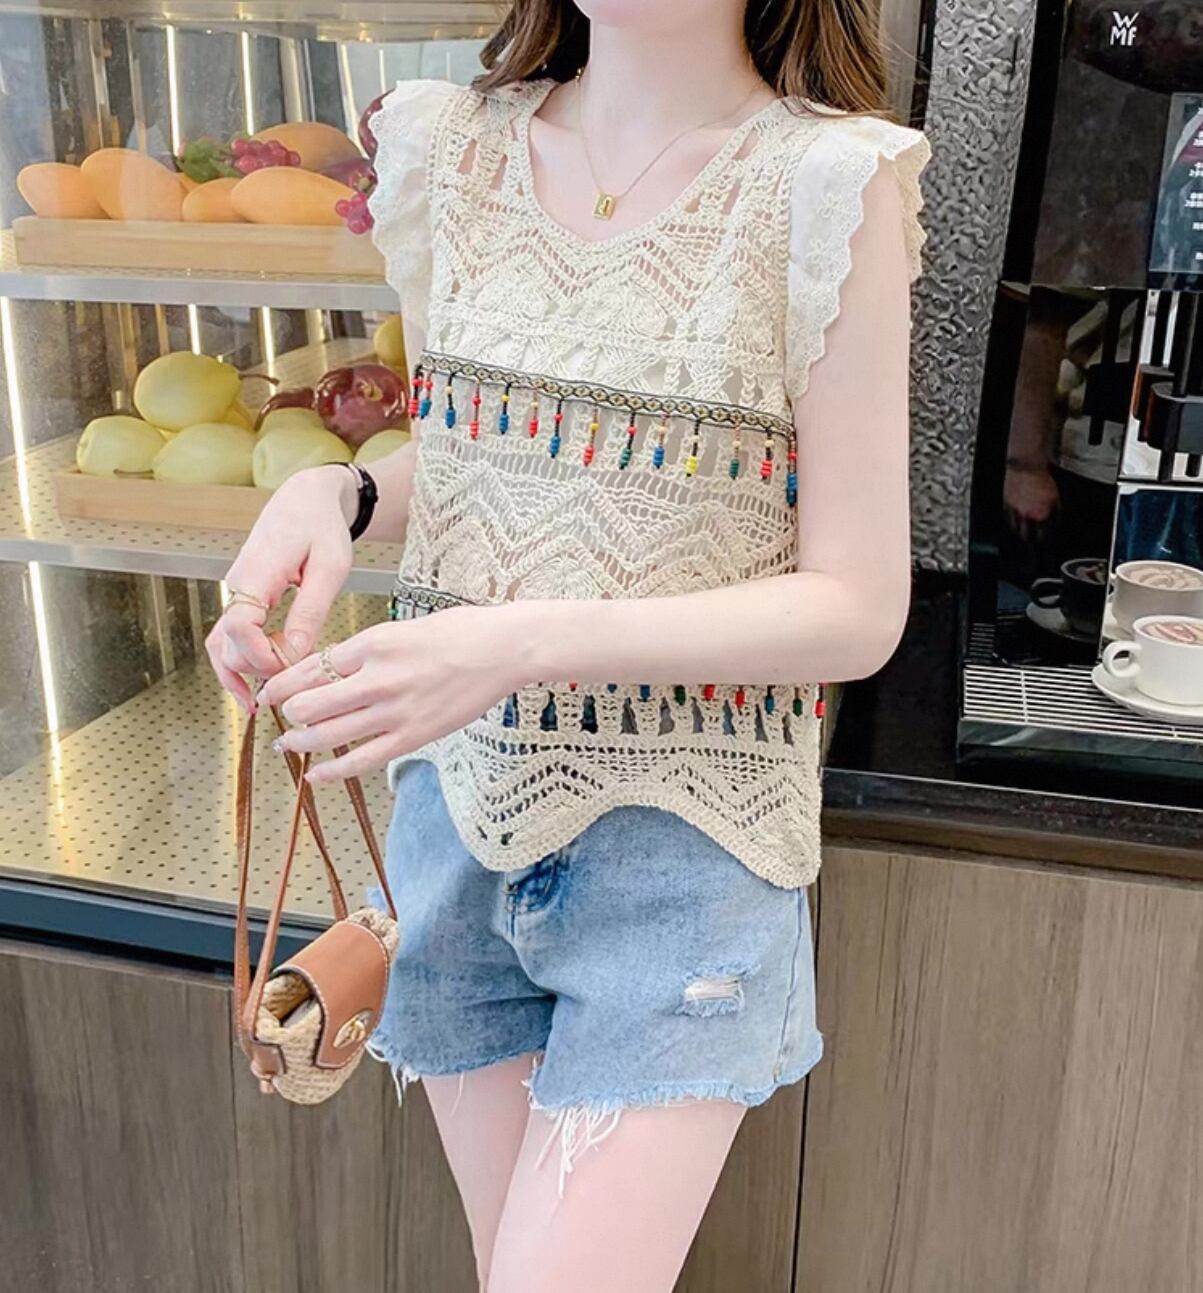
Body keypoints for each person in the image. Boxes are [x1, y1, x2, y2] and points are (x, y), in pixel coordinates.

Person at [207, 2, 931, 1289]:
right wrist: (340, 493)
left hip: (682, 850)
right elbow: (486, 450)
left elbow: (857, 605)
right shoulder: (448, 147)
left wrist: (520, 645)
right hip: (455, 828)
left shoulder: (827, 183)